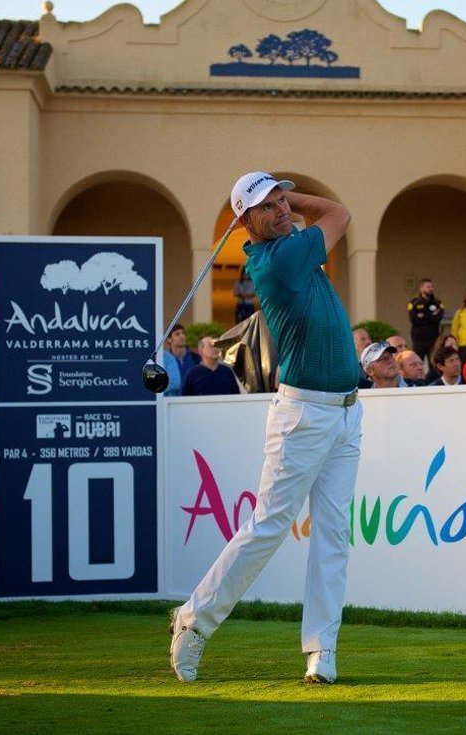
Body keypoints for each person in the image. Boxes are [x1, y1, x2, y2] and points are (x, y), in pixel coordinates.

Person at [171, 172, 359, 686]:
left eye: (282, 200)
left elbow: (331, 216)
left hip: (346, 411)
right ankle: (194, 619)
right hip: (304, 416)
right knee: (269, 526)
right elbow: (339, 213)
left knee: (334, 534)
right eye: (268, 205)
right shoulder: (277, 260)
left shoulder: (291, 247)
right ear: (245, 223)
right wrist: (297, 200)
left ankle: (322, 650)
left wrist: (280, 199)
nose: (281, 209)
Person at [406, 278, 444, 365]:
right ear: (421, 288)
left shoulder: (438, 302)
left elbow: (437, 319)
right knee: (417, 363)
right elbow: (414, 320)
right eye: (428, 287)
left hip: (433, 338)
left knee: (434, 363)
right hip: (418, 339)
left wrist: (422, 314)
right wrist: (431, 315)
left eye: (432, 286)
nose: (431, 288)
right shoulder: (413, 303)